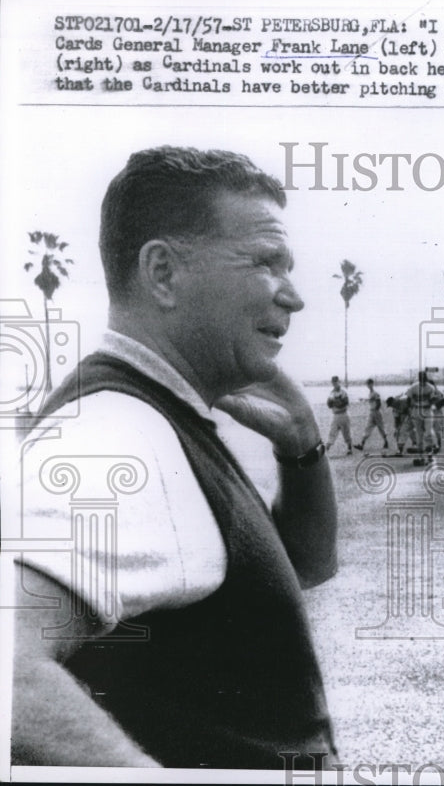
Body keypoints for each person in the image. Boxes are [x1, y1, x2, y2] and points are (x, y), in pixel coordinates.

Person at [12, 146, 338, 768]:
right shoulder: (117, 432)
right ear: (162, 272)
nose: (292, 297)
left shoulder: (163, 414)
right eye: (267, 262)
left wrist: (302, 447)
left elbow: (297, 573)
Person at [405, 371, 439, 465]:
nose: (423, 381)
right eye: (422, 379)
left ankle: (429, 455)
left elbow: (433, 399)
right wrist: (409, 410)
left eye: (425, 379)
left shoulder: (430, 387)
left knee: (428, 432)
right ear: (419, 379)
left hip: (427, 410)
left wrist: (434, 400)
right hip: (416, 410)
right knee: (419, 434)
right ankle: (420, 457)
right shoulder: (414, 387)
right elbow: (408, 399)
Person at [354, 377, 389, 453]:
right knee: (368, 428)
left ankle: (387, 442)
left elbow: (378, 402)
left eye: (369, 384)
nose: (368, 386)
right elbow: (371, 400)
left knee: (381, 428)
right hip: (372, 412)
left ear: (372, 384)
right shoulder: (370, 393)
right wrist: (364, 400)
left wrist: (376, 409)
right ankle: (362, 444)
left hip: (376, 412)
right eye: (367, 384)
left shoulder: (375, 393)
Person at [326, 375, 352, 455]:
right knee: (332, 432)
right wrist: (335, 402)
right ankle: (326, 449)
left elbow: (345, 402)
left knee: (346, 432)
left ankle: (349, 448)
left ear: (338, 382)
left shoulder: (343, 391)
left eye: (336, 382)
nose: (334, 384)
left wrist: (336, 402)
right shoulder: (331, 393)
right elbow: (329, 404)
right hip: (335, 415)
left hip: (343, 414)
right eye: (333, 382)